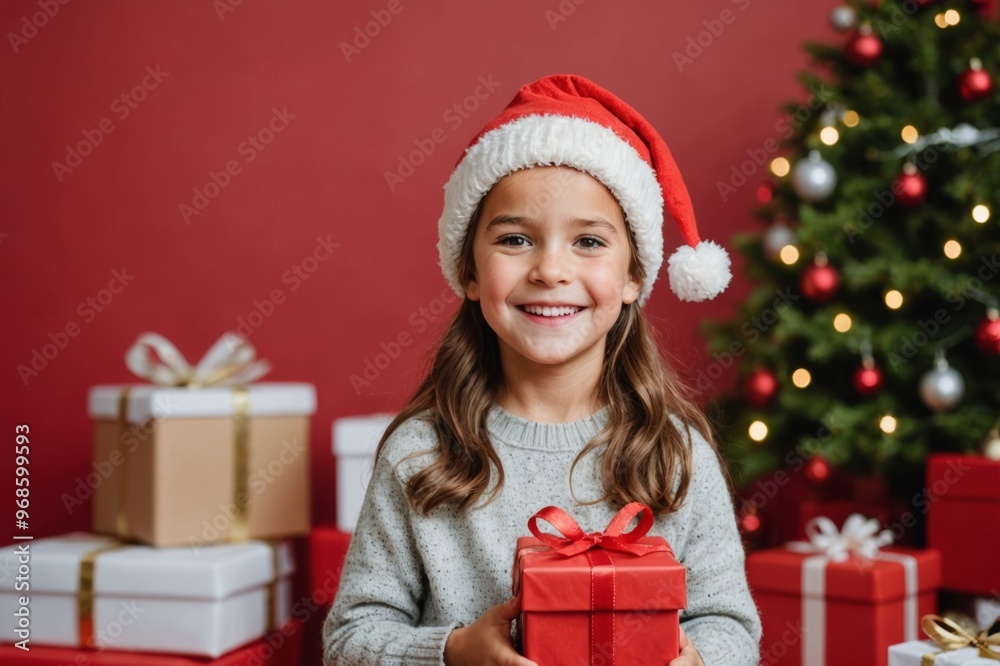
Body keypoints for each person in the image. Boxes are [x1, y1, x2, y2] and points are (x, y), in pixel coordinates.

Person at [323, 74, 761, 666]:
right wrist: (452, 653)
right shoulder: (420, 453)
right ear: (470, 272)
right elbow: (349, 639)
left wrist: (699, 660)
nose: (551, 270)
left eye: (587, 242)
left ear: (635, 275)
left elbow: (729, 623)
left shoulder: (677, 454)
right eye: (514, 239)